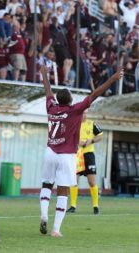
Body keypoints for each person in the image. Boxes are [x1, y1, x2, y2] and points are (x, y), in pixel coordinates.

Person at [38, 66, 123, 238]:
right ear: (69, 100)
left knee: (46, 185)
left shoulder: (51, 107)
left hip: (49, 152)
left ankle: (44, 214)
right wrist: (112, 80)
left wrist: (44, 74)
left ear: (58, 100)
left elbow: (48, 91)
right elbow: (94, 94)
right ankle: (55, 229)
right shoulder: (74, 110)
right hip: (66, 155)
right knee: (63, 190)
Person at [67, 110, 103, 214]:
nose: (85, 115)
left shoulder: (91, 124)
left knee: (91, 182)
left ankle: (96, 206)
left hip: (89, 155)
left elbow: (100, 136)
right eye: (83, 113)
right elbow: (69, 138)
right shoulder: (74, 125)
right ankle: (73, 206)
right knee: (74, 181)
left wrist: (91, 141)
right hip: (77, 155)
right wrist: (78, 142)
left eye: (86, 113)